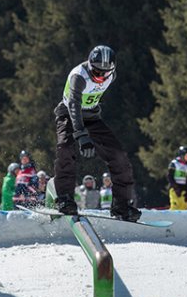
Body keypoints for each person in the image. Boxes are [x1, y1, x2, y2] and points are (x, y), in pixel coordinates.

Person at [53, 45, 141, 221]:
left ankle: (121, 206)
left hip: (92, 116)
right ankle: (64, 199)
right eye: (96, 72)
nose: (100, 77)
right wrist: (80, 134)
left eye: (104, 73)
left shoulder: (112, 75)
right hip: (68, 115)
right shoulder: (79, 76)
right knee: (65, 149)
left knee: (119, 157)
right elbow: (73, 105)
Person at [168, 146, 187, 210]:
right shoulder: (174, 163)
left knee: (183, 208)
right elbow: (170, 176)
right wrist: (176, 188)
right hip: (175, 189)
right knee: (175, 208)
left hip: (183, 190)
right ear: (182, 155)